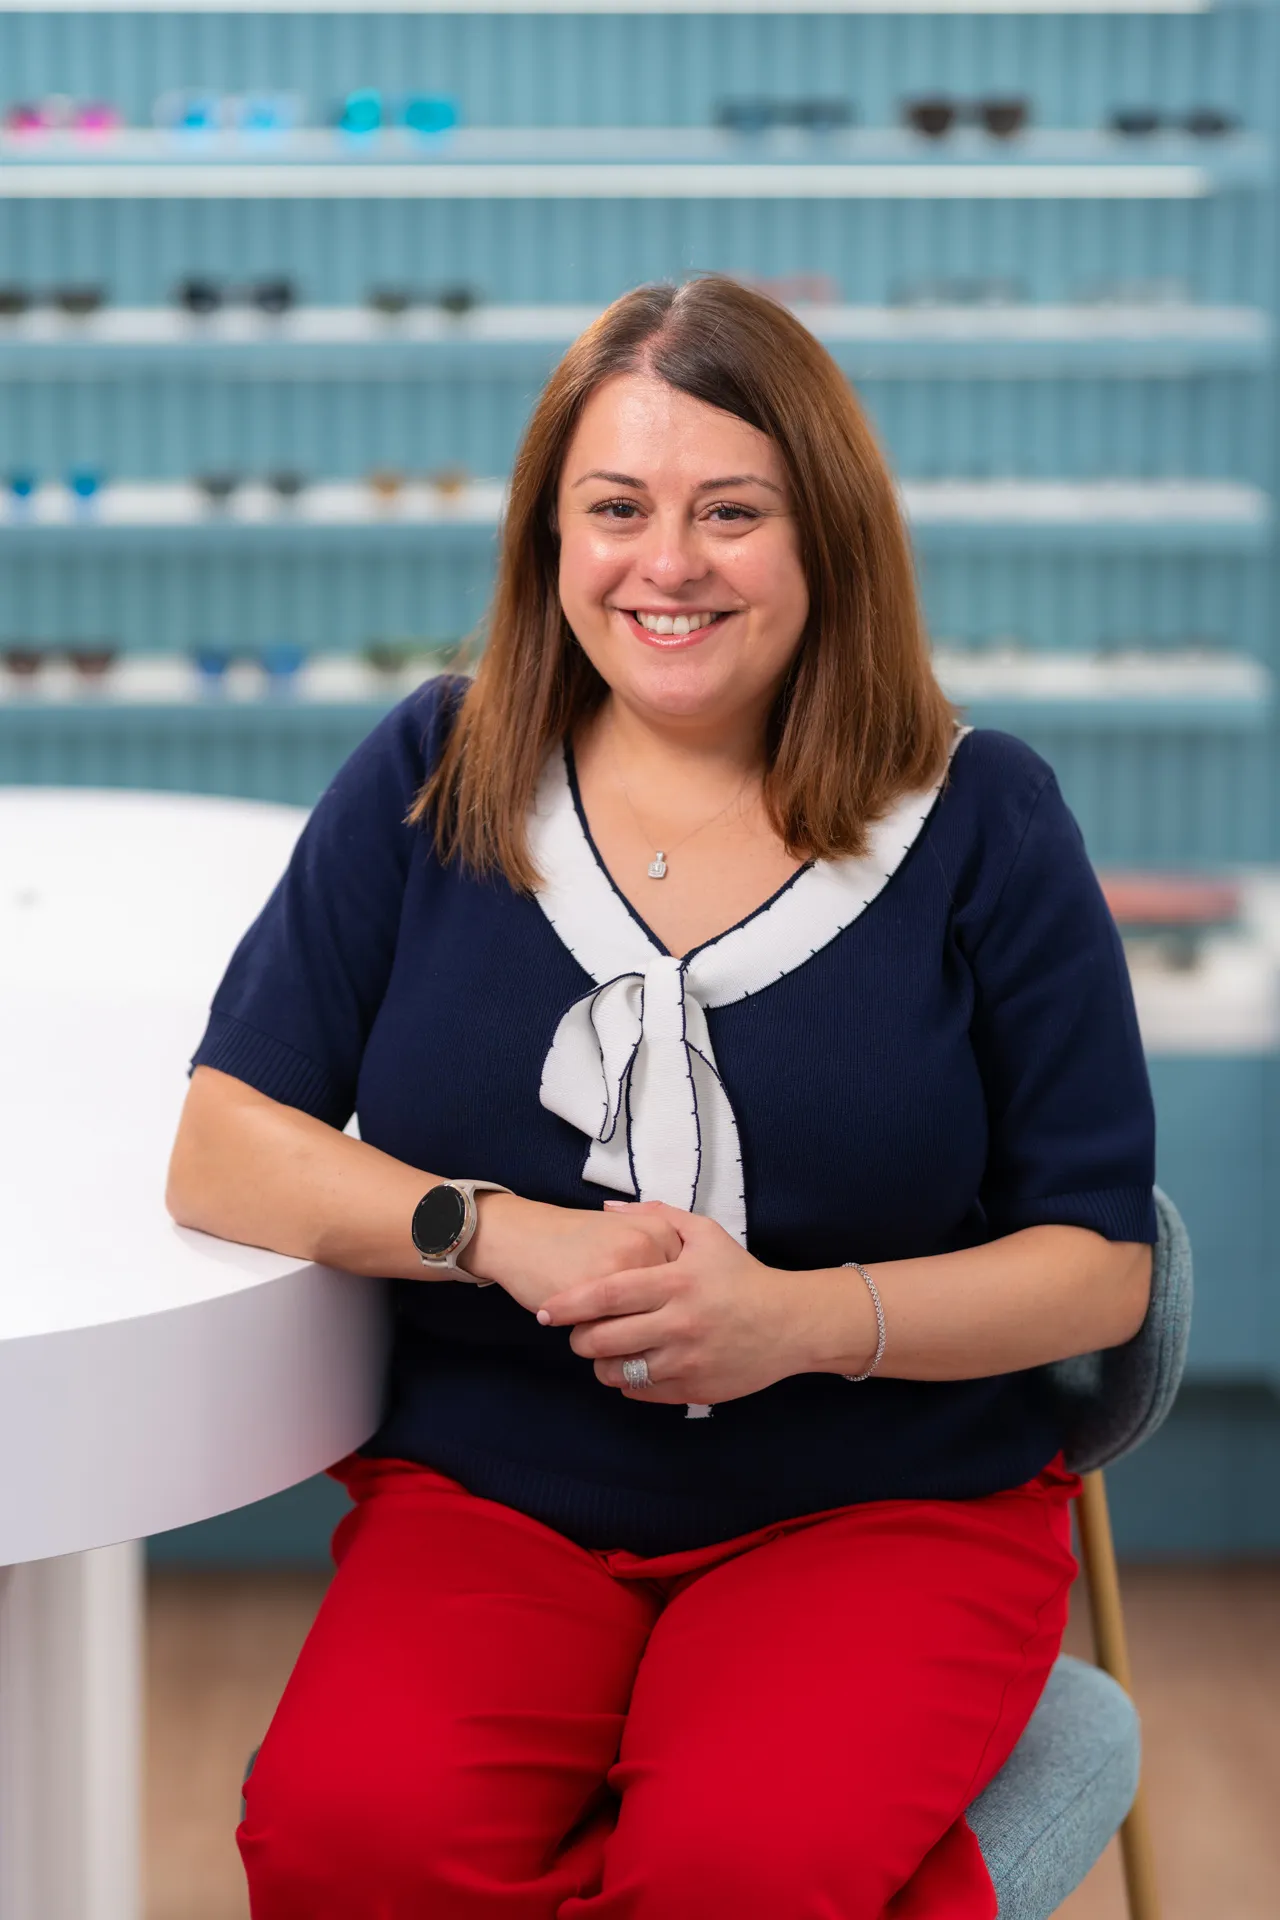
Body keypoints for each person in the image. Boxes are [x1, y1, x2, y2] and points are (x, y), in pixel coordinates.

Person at [167, 275, 1156, 1920]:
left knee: (727, 1878)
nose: (667, 563)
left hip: (884, 1503)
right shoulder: (437, 769)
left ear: (824, 535)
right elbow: (223, 1145)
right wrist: (487, 1233)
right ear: (551, 538)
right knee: (348, 1844)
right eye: (615, 507)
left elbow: (1099, 1265)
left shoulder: (984, 818)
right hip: (499, 1500)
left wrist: (797, 1319)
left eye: (731, 512)